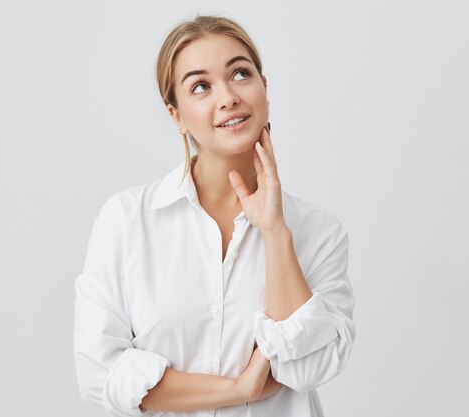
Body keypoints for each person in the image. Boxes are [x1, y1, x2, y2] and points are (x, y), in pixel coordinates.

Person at [73, 14, 355, 417]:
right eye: (201, 86)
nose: (228, 97)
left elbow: (307, 367)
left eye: (240, 74)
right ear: (177, 116)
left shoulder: (320, 232)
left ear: (265, 88)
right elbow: (101, 376)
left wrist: (275, 232)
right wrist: (239, 389)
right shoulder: (126, 221)